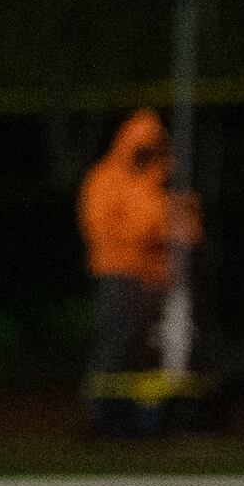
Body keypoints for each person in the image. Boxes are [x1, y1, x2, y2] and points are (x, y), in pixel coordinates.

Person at [78, 109, 198, 435]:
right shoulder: (106, 179)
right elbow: (107, 228)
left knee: (157, 352)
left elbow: (187, 231)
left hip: (160, 280)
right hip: (118, 274)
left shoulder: (163, 181)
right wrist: (152, 235)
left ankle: (150, 421)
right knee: (114, 345)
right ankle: (100, 416)